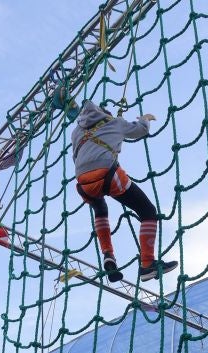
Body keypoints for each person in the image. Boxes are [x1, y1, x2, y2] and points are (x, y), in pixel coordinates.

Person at [70, 99, 178, 283]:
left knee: (100, 210)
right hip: (108, 175)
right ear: (106, 114)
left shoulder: (77, 131)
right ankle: (147, 264)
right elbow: (141, 130)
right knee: (147, 211)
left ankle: (108, 255)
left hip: (83, 183)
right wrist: (144, 119)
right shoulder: (115, 123)